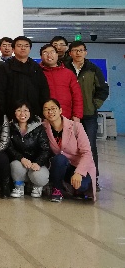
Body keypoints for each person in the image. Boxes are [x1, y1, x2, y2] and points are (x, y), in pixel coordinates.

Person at [66, 41, 109, 190]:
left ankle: (93, 178)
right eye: (75, 50)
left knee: (90, 146)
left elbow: (103, 89)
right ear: (70, 53)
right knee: (69, 147)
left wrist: (94, 104)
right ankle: (71, 178)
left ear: (86, 52)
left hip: (88, 115)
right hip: (69, 115)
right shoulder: (65, 68)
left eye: (81, 50)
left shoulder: (93, 69)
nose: (78, 53)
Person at [42, 99, 96, 202]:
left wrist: (79, 172)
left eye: (53, 108)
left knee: (82, 186)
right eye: (46, 109)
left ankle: (70, 186)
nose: (50, 112)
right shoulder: (43, 128)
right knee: (59, 158)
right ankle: (57, 189)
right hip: (60, 165)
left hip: (78, 165)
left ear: (60, 110)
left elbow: (87, 152)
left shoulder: (76, 127)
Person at [0, 36, 50, 119]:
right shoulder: (6, 67)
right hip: (11, 112)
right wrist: (2, 112)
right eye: (19, 45)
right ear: (13, 49)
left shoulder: (36, 67)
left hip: (34, 111)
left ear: (30, 49)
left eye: (26, 46)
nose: (23, 48)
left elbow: (43, 89)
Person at [7, 100, 50, 198]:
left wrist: (38, 162)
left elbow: (45, 149)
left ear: (30, 112)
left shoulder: (39, 128)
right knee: (15, 165)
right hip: (21, 164)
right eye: (19, 110)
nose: (22, 114)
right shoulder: (11, 128)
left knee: (39, 177)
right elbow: (9, 148)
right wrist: (21, 158)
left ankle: (37, 186)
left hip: (37, 164)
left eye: (25, 110)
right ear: (14, 113)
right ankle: (19, 186)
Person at [39, 44, 83, 122]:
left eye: (52, 52)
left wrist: (77, 115)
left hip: (66, 117)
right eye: (45, 53)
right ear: (41, 57)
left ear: (57, 55)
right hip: (44, 118)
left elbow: (77, 95)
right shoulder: (37, 73)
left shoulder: (68, 73)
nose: (49, 55)